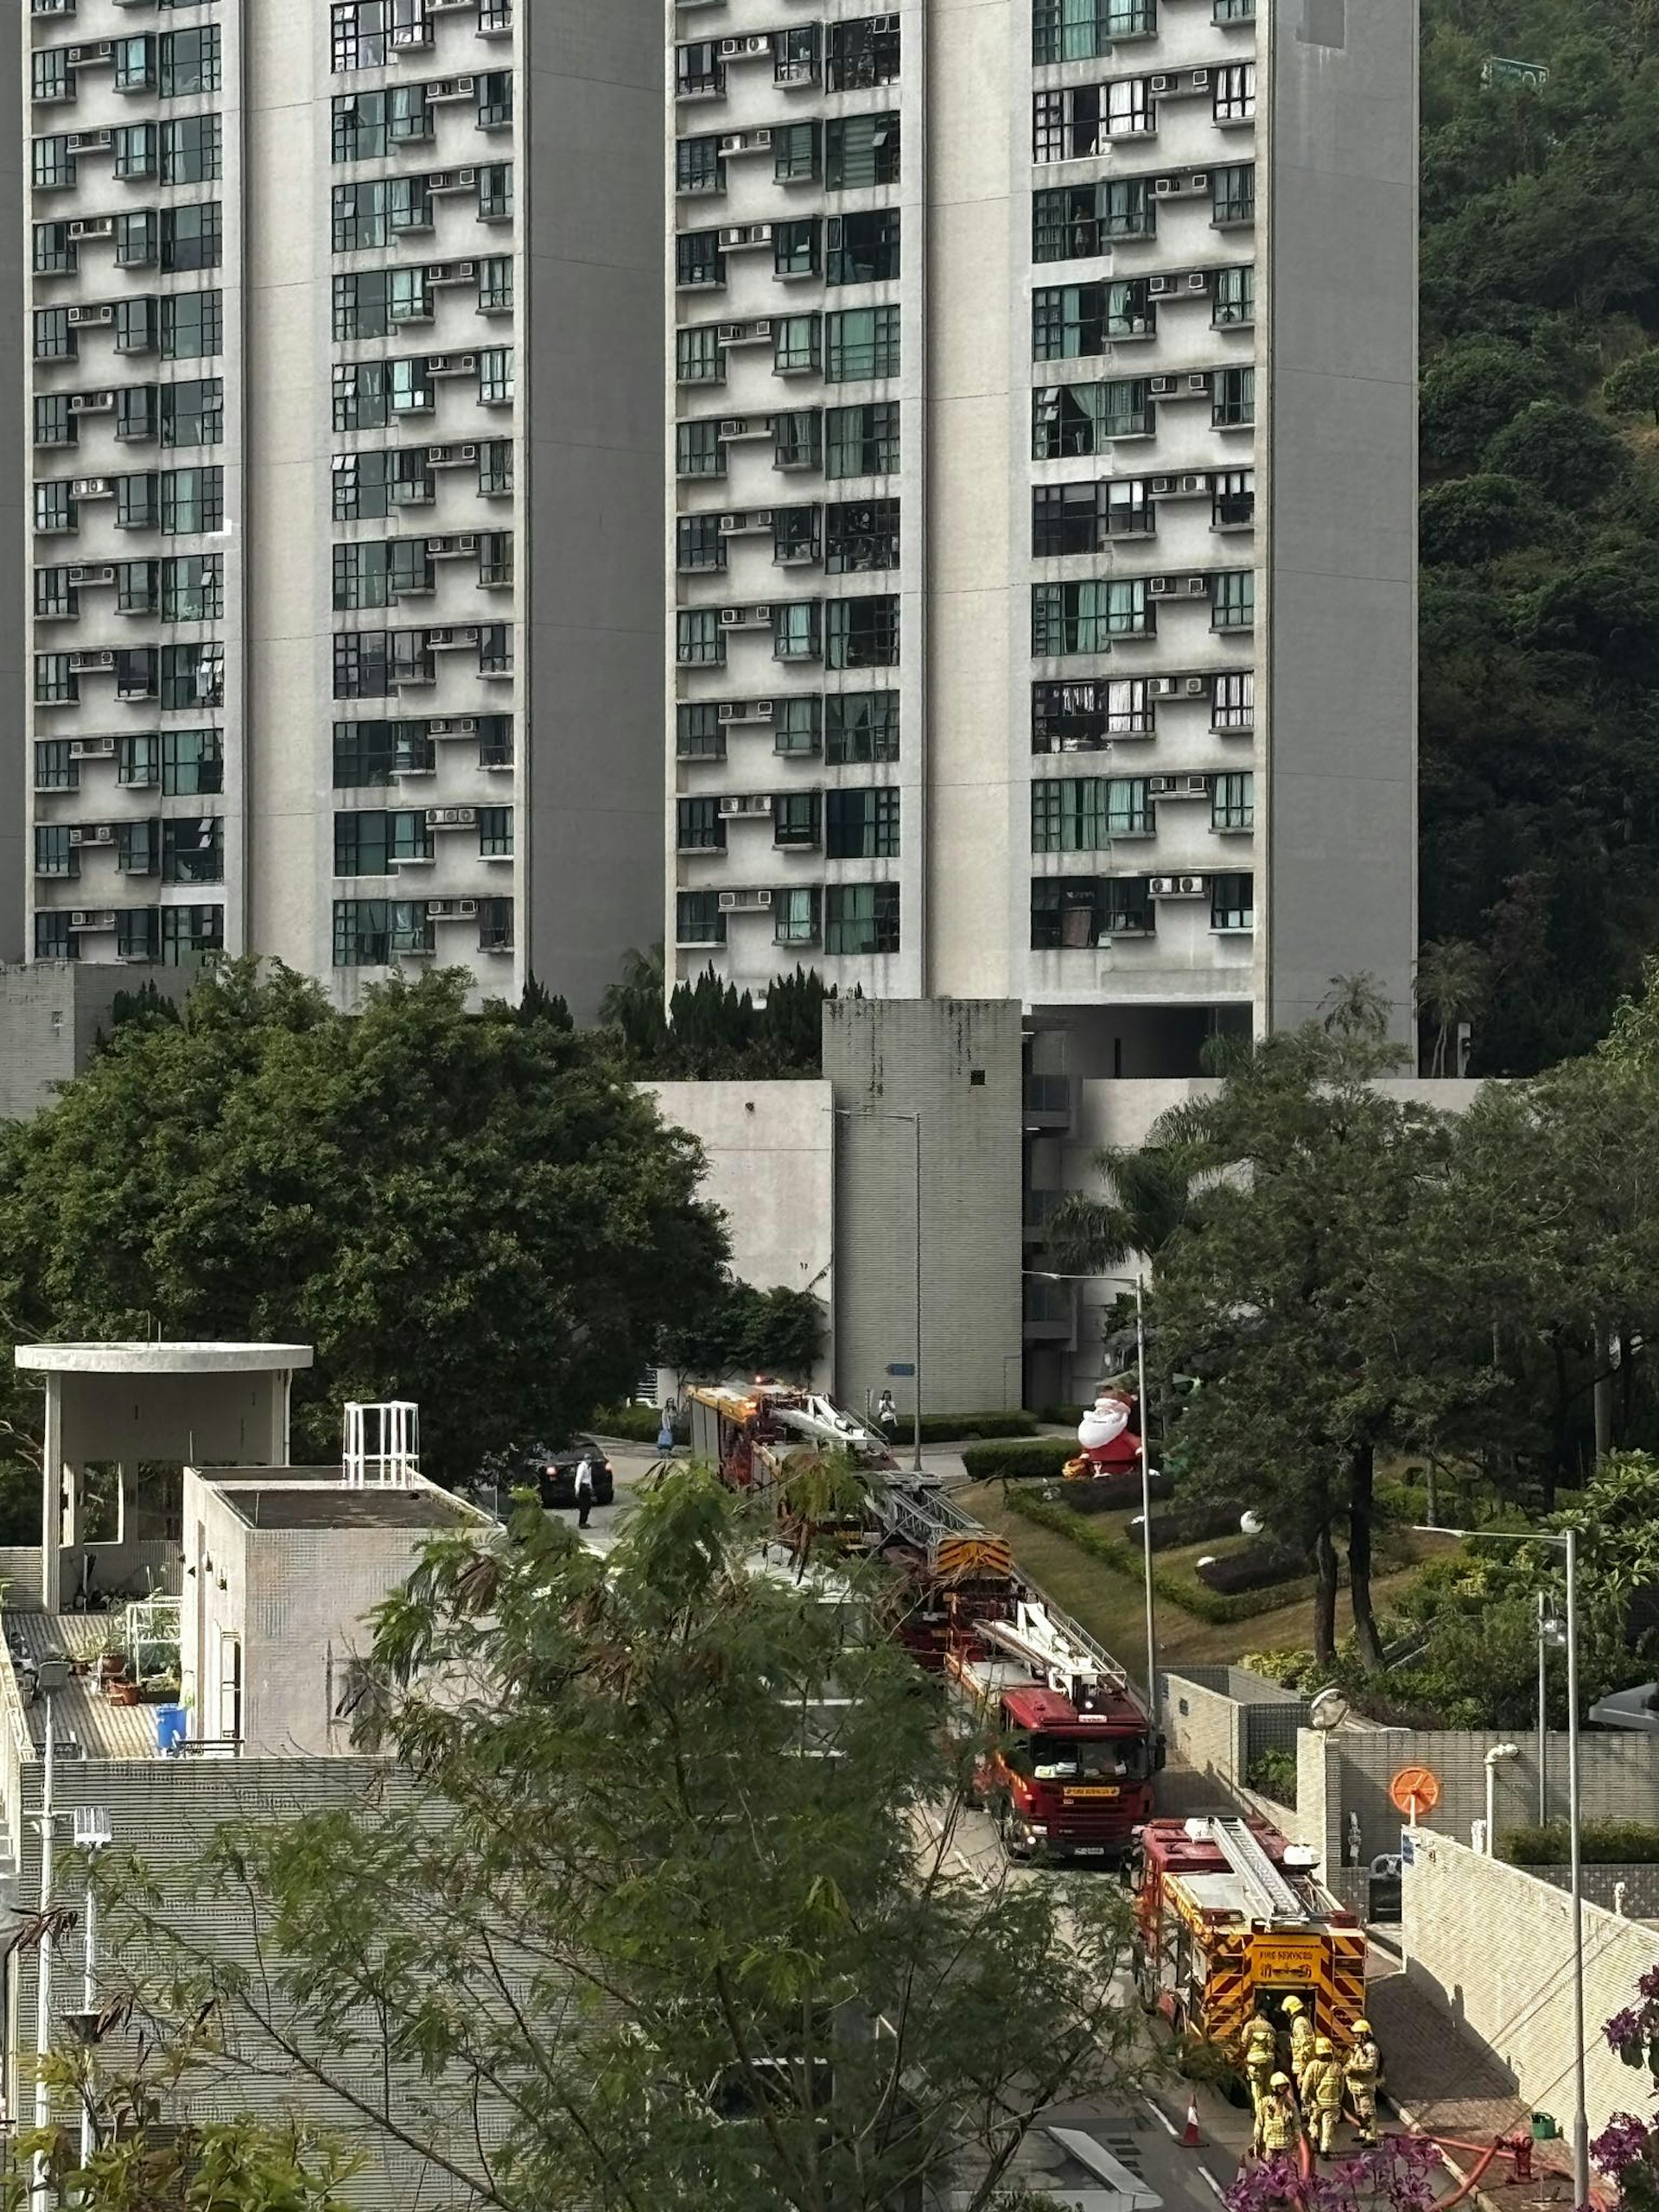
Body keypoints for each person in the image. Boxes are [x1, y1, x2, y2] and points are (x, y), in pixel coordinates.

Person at [1301, 2037, 1344, 2157]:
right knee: (1328, 2124)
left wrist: (1304, 2100)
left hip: (1317, 2102)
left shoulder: (1313, 2065)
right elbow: (1341, 2086)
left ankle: (1314, 2136)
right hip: (1332, 2102)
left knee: (1314, 2121)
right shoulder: (1337, 2066)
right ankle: (1325, 2148)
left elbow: (1306, 2085)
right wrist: (1339, 2100)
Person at [1344, 2020, 1381, 2147]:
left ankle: (1372, 2137)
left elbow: (1370, 2067)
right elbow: (1352, 2061)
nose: (1355, 2036)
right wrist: (1347, 2067)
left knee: (1368, 2112)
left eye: (1358, 2034)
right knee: (1359, 2112)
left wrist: (1353, 2070)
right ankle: (1364, 2133)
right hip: (1356, 2086)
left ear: (1365, 2034)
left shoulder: (1371, 2049)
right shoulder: (1358, 2047)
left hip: (1365, 2086)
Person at [1242, 2013, 1279, 2121]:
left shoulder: (1250, 2026)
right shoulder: (1270, 2027)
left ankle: (1259, 2115)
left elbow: (1244, 2041)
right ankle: (1269, 2112)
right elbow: (1274, 2043)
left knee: (1257, 2089)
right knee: (1268, 2088)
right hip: (1268, 2061)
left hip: (1254, 2061)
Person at [1256, 2075, 1300, 2160]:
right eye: (1280, 2086)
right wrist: (1257, 2141)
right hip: (1271, 2145)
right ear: (1274, 2088)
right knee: (1269, 2170)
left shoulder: (1291, 2104)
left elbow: (1296, 2124)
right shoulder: (1265, 2104)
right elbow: (1259, 2124)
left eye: (1285, 2086)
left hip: (1286, 2144)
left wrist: (1297, 2140)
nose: (1283, 2089)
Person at [1282, 1993, 1314, 2085]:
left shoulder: (1299, 2022)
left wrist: (1302, 2070)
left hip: (1301, 2065)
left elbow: (1303, 2045)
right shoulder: (1303, 2020)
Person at [574, 1450, 595, 1530]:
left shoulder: (589, 1467)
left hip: (588, 1487)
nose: (589, 1460)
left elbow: (589, 1478)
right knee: (584, 1506)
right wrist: (577, 1490)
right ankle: (581, 1522)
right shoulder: (582, 1467)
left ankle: (584, 1521)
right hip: (583, 1487)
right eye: (587, 1459)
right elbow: (578, 1479)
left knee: (588, 1505)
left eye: (590, 1459)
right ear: (585, 1460)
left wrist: (591, 1488)